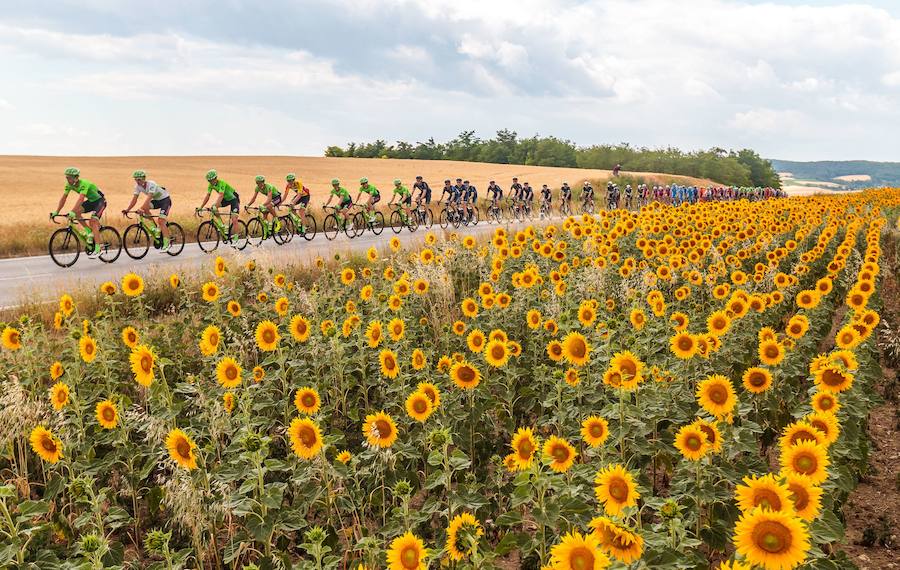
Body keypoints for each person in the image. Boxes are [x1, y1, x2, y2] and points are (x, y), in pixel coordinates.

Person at [51, 167, 106, 255]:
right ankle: (88, 231)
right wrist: (56, 211)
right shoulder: (69, 185)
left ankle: (98, 248)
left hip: (100, 201)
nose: (67, 179)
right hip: (91, 201)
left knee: (93, 221)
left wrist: (72, 211)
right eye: (66, 177)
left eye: (69, 177)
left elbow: (81, 199)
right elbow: (64, 198)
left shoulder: (84, 184)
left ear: (76, 178)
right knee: (76, 213)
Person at [122, 170, 171, 251]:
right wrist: (127, 209)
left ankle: (167, 243)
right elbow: (134, 199)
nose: (137, 181)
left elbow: (148, 198)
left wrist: (141, 208)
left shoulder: (151, 184)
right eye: (136, 179)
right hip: (156, 201)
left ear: (144, 179)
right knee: (145, 209)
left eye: (139, 179)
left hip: (165, 201)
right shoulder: (138, 187)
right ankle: (154, 228)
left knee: (161, 221)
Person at [198, 170, 241, 238]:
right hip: (226, 199)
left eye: (212, 180)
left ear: (216, 178)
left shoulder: (222, 183)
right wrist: (201, 207)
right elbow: (208, 196)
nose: (211, 182)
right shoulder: (210, 185)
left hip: (234, 199)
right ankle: (222, 225)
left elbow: (221, 195)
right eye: (209, 181)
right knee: (213, 208)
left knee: (234, 219)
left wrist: (216, 206)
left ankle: (236, 237)